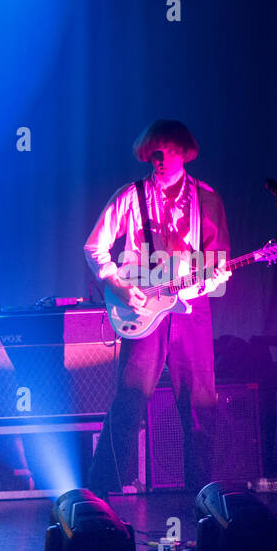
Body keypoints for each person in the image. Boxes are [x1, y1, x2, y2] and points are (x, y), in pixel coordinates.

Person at [85, 120, 231, 495]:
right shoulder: (130, 196)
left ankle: (202, 495)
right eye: (154, 153)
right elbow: (95, 247)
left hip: (191, 308)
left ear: (184, 153)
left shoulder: (207, 199)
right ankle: (101, 493)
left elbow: (218, 262)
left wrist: (206, 280)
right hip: (142, 308)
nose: (160, 159)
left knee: (200, 404)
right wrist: (118, 284)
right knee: (129, 401)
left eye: (167, 151)